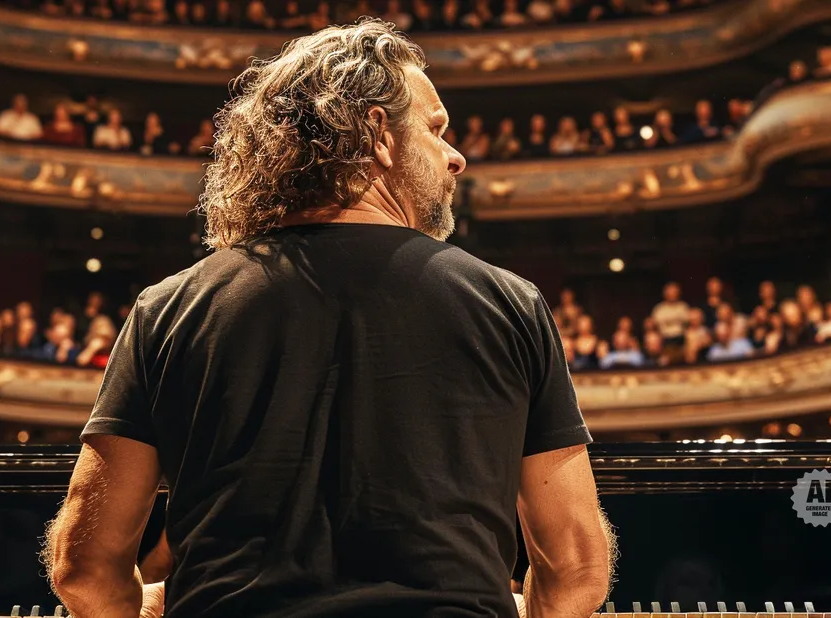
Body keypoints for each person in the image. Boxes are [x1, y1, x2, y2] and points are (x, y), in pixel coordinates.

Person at [45, 20, 612, 618]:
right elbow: (577, 567)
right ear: (378, 133)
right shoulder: (510, 304)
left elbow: (84, 569)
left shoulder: (169, 308)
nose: (457, 157)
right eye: (436, 129)